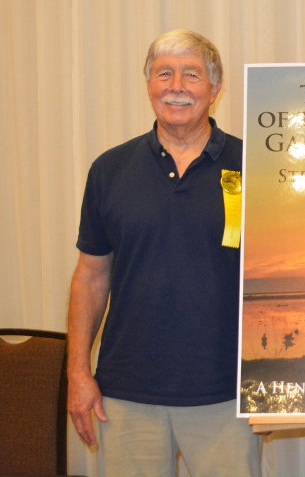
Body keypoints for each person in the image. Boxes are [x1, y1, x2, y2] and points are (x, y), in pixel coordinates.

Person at [67, 29, 260, 475]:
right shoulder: (109, 169)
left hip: (227, 394)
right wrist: (79, 372)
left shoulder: (254, 166)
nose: (176, 86)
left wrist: (275, 384)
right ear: (149, 85)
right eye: (164, 74)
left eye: (191, 74)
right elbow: (90, 276)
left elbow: (278, 273)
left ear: (215, 88)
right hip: (127, 396)